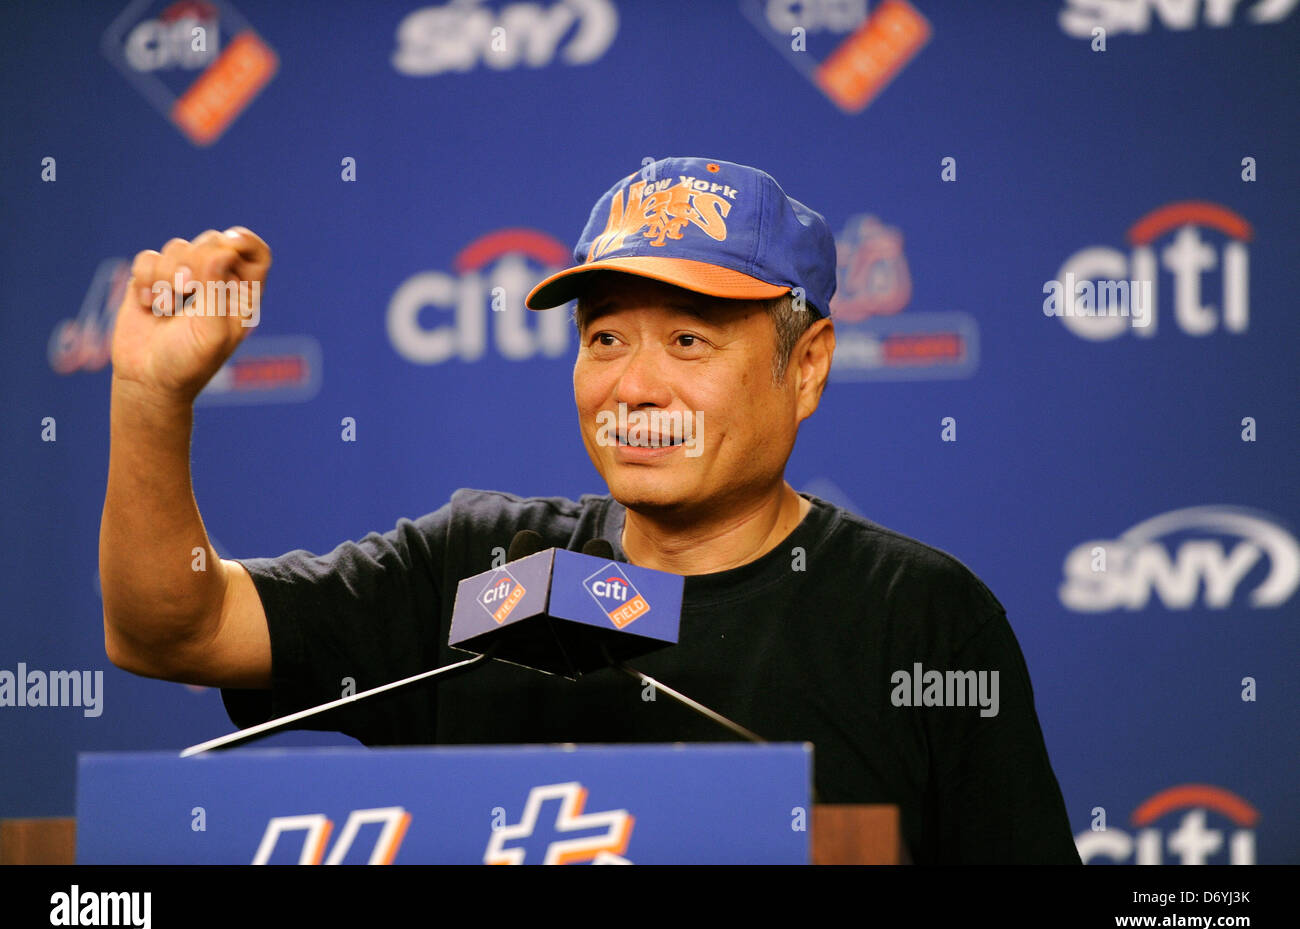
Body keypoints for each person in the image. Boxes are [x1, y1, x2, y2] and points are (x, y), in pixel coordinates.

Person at [100, 156, 1081, 863]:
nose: (635, 387)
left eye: (689, 342)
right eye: (605, 338)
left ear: (807, 365)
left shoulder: (919, 617)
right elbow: (171, 629)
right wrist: (153, 399)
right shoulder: (478, 571)